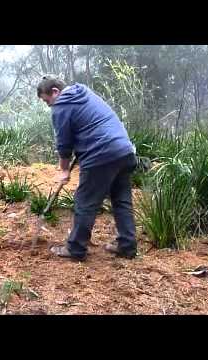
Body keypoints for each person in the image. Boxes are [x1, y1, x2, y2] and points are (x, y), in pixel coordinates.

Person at [37, 76, 138, 261]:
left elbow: (64, 144)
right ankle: (127, 245)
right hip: (124, 150)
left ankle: (75, 248)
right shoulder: (84, 92)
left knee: (85, 201)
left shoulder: (61, 105)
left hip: (102, 154)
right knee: (121, 200)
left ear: (55, 92)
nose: (48, 105)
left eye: (47, 100)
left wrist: (64, 170)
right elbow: (90, 124)